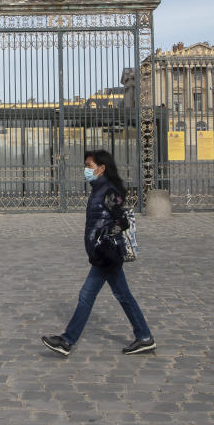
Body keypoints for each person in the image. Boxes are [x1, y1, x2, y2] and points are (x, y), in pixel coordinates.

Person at [42, 150, 156, 356]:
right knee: (123, 295)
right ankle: (144, 337)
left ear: (101, 169)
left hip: (107, 254)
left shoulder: (108, 192)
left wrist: (103, 236)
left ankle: (67, 341)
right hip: (104, 253)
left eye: (89, 166)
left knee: (87, 295)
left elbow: (122, 221)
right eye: (85, 166)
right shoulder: (98, 189)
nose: (86, 170)